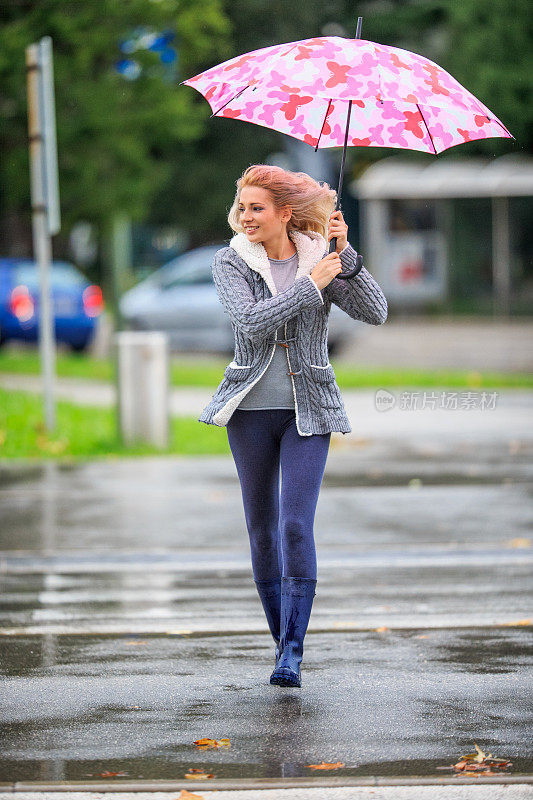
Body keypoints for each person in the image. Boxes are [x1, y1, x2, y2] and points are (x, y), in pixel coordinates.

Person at [198, 164, 388, 687]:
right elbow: (252, 324)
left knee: (296, 525)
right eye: (241, 207)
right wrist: (311, 285)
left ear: (285, 213)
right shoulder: (229, 262)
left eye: (256, 207)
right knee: (262, 530)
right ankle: (281, 639)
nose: (245, 216)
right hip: (250, 411)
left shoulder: (322, 258)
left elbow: (376, 312)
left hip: (310, 410)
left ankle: (293, 655)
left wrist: (344, 256)